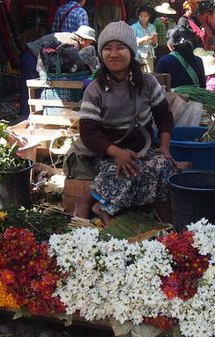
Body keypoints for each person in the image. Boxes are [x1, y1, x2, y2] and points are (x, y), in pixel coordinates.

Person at [69, 21, 175, 223]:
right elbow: (89, 132)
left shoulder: (148, 82)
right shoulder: (95, 89)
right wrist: (117, 153)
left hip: (143, 150)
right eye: (108, 48)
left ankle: (103, 205)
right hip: (108, 153)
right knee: (124, 172)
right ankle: (89, 202)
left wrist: (164, 146)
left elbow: (163, 115)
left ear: (131, 52)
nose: (114, 54)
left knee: (165, 169)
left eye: (121, 48)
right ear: (101, 54)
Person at [20, 26, 96, 115]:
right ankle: (26, 116)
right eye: (89, 42)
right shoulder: (72, 44)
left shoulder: (71, 38)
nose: (89, 45)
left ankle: (31, 114)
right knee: (31, 91)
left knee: (37, 90)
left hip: (31, 56)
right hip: (31, 56)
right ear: (82, 39)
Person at [132, 6, 158, 73]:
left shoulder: (152, 27)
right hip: (138, 55)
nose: (143, 18)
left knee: (150, 75)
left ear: (149, 16)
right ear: (138, 16)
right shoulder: (134, 27)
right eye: (141, 16)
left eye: (145, 16)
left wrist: (154, 40)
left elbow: (154, 44)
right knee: (139, 75)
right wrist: (144, 39)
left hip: (149, 55)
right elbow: (132, 42)